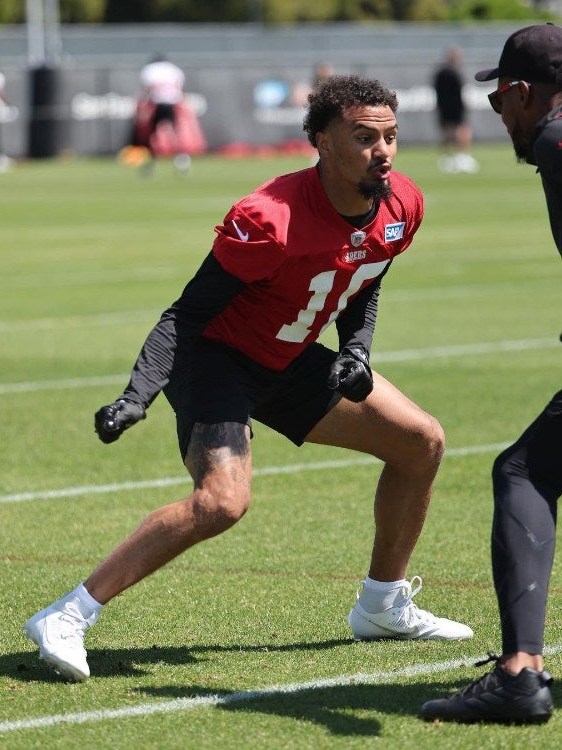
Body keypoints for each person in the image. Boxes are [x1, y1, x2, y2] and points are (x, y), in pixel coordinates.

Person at [23, 75, 473, 683]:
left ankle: (382, 605)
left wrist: (356, 352)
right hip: (216, 360)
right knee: (222, 503)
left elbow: (365, 282)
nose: (384, 151)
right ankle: (67, 615)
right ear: (321, 142)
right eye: (364, 137)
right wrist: (138, 394)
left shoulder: (401, 205)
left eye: (391, 136)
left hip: (287, 357)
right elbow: (188, 313)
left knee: (421, 441)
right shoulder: (269, 217)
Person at [421, 23, 562, 725]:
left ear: (523, 93)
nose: (498, 113)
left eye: (502, 97)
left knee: (524, 474)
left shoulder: (553, 138)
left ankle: (518, 673)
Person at [123, 54, 204, 175]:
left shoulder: (150, 70)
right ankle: (182, 160)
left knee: (152, 134)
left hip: (157, 105)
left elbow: (148, 89)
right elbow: (179, 89)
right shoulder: (174, 70)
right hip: (173, 104)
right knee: (175, 134)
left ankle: (150, 164)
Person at [432, 47, 479, 174]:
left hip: (443, 106)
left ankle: (447, 157)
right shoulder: (455, 73)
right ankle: (462, 156)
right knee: (461, 130)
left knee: (446, 131)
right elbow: (460, 91)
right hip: (456, 106)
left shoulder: (440, 73)